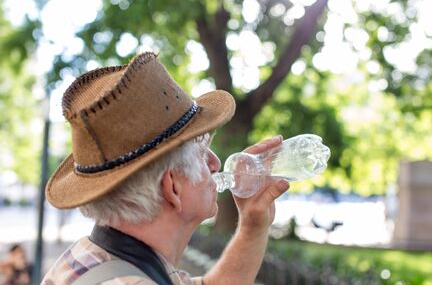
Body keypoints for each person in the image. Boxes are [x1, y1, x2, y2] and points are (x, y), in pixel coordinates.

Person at [41, 51, 289, 284]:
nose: (215, 164)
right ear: (172, 188)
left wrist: (253, 223)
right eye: (202, 153)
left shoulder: (96, 258)